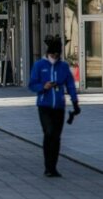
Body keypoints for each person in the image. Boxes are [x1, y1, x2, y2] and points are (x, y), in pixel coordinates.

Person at [29, 36, 80, 178]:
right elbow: (31, 84)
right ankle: (47, 166)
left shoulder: (63, 66)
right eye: (53, 55)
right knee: (49, 133)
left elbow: (70, 85)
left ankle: (53, 167)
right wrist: (43, 87)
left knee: (56, 137)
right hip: (44, 105)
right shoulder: (39, 65)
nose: (55, 57)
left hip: (59, 106)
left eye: (57, 55)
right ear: (48, 53)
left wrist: (75, 103)